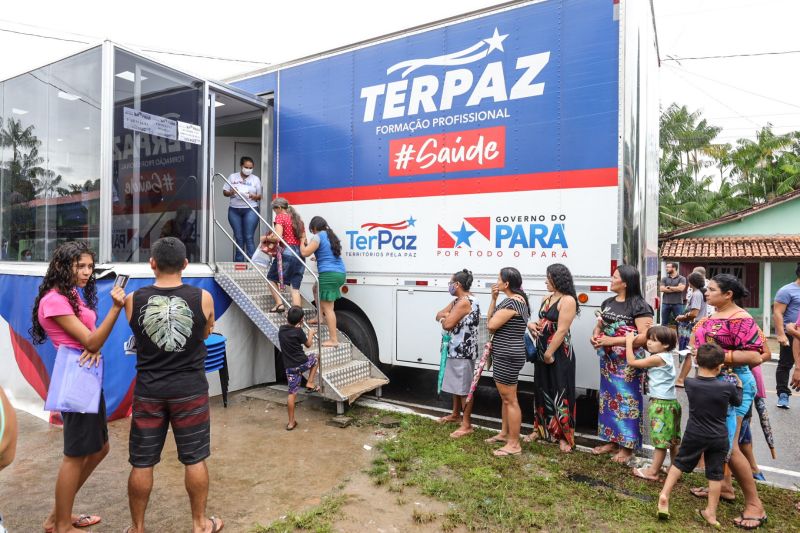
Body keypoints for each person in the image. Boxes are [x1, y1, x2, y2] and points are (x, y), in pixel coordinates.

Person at [124, 237, 222, 533]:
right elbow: (205, 335)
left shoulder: (133, 299)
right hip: (189, 389)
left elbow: (137, 337)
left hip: (148, 391)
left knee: (142, 462)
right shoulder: (203, 297)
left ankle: (137, 528)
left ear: (152, 263)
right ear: (185, 265)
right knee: (194, 458)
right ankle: (200, 524)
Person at [30, 241, 125, 533]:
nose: (86, 273)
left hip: (86, 374)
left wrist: (92, 345)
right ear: (63, 266)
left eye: (89, 267)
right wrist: (116, 309)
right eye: (79, 266)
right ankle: (60, 525)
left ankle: (59, 515)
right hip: (76, 377)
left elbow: (88, 339)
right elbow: (91, 340)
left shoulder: (70, 294)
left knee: (100, 448)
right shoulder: (54, 300)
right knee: (75, 455)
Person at [688, 274, 767, 530]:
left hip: (734, 386)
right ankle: (724, 486)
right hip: (714, 384)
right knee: (719, 441)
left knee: (729, 447)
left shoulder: (741, 319)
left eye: (711, 290)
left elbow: (755, 356)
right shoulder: (714, 314)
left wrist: (717, 357)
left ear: (728, 294)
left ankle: (755, 505)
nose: (706, 293)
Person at [657, 344, 743, 528]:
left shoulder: (690, 383)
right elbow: (737, 401)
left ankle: (664, 494)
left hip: (695, 433)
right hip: (718, 436)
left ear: (696, 361)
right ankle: (711, 513)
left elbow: (692, 377)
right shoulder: (727, 387)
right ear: (720, 366)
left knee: (679, 463)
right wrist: (740, 386)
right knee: (715, 473)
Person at [591, 264, 654, 464]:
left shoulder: (639, 306)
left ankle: (627, 447)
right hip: (609, 363)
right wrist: (596, 336)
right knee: (608, 401)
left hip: (628, 364)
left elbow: (644, 337)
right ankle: (611, 439)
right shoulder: (608, 302)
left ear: (625, 283)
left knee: (627, 403)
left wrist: (613, 341)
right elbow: (600, 325)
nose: (611, 279)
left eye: (615, 276)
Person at [525, 263, 579, 453]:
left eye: (549, 277)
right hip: (543, 351)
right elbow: (542, 321)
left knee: (560, 390)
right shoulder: (546, 298)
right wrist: (532, 325)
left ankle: (564, 436)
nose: (546, 281)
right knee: (541, 388)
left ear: (558, 279)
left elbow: (562, 329)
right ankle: (540, 430)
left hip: (558, 352)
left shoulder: (568, 300)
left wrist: (549, 352)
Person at [624, 326, 680, 481]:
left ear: (666, 345)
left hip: (660, 405)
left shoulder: (657, 358)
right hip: (672, 403)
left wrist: (629, 342)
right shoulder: (667, 356)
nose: (648, 343)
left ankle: (653, 472)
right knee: (673, 439)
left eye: (654, 340)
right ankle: (674, 469)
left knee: (660, 441)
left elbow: (632, 362)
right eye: (648, 339)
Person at [485, 267, 530, 457]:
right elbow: (491, 319)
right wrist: (494, 299)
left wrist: (495, 305)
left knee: (510, 399)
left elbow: (491, 325)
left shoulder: (512, 303)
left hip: (508, 354)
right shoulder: (513, 300)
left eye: (498, 279)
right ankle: (505, 434)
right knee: (506, 398)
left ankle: (514, 444)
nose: (496, 282)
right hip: (509, 353)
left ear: (506, 283)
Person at [434, 269, 481, 439]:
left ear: (458, 285)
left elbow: (447, 325)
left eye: (450, 282)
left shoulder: (465, 302)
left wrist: (446, 318)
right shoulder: (457, 301)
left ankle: (467, 424)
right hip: (455, 349)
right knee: (456, 385)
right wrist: (446, 316)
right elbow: (438, 315)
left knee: (464, 388)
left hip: (464, 351)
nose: (449, 286)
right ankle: (455, 415)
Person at [300, 216, 346, 347]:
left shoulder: (318, 236)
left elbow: (305, 253)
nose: (312, 232)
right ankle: (319, 317)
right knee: (316, 288)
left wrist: (302, 240)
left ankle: (333, 339)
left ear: (314, 228)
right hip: (339, 273)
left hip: (329, 275)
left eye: (312, 230)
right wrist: (318, 258)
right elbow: (328, 253)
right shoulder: (330, 235)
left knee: (329, 308)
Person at [278, 306, 319, 431]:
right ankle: (310, 382)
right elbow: (308, 344)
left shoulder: (281, 330)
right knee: (316, 357)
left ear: (287, 316)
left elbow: (290, 331)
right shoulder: (299, 332)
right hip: (302, 363)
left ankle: (291, 422)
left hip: (290, 368)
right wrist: (310, 333)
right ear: (301, 320)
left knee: (292, 394)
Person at [264, 197, 305, 312]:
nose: (274, 211)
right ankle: (298, 317)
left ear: (280, 208)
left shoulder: (281, 217)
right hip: (300, 255)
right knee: (295, 287)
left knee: (271, 278)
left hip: (287, 252)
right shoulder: (298, 220)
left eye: (274, 209)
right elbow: (303, 239)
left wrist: (266, 238)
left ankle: (279, 304)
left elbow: (277, 238)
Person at [223, 156, 262, 261]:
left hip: (250, 209)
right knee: (239, 238)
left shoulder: (255, 179)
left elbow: (260, 196)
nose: (248, 169)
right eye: (246, 167)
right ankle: (238, 263)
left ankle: (252, 263)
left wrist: (253, 196)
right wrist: (232, 192)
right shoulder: (232, 177)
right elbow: (225, 192)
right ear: (241, 166)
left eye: (251, 168)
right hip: (234, 210)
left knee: (248, 237)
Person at [773, 263, 800, 409]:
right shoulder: (787, 290)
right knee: (785, 364)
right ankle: (783, 394)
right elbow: (777, 313)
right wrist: (781, 334)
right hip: (791, 334)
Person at [675, 272, 708, 387]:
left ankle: (681, 379)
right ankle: (699, 378)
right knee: (696, 352)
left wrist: (682, 317)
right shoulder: (701, 293)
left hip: (694, 326)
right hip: (699, 325)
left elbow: (694, 313)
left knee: (689, 352)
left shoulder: (697, 294)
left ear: (692, 282)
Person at [659, 262, 686, 326]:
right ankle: (663, 336)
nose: (666, 268)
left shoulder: (681, 278)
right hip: (665, 303)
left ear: (674, 268)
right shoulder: (664, 279)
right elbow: (661, 289)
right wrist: (676, 289)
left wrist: (669, 287)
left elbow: (681, 289)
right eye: (666, 267)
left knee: (680, 323)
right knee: (664, 323)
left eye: (668, 267)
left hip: (678, 304)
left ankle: (679, 336)